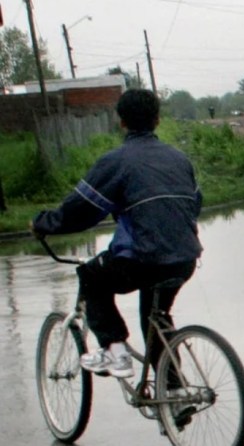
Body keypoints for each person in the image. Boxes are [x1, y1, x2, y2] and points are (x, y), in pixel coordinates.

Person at [31, 89, 203, 379]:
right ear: (158, 120)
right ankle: (175, 390)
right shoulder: (178, 159)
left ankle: (115, 351)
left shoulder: (116, 161)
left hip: (142, 260)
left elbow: (80, 210)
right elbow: (195, 204)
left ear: (121, 122)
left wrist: (44, 224)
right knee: (156, 319)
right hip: (185, 258)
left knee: (91, 277)